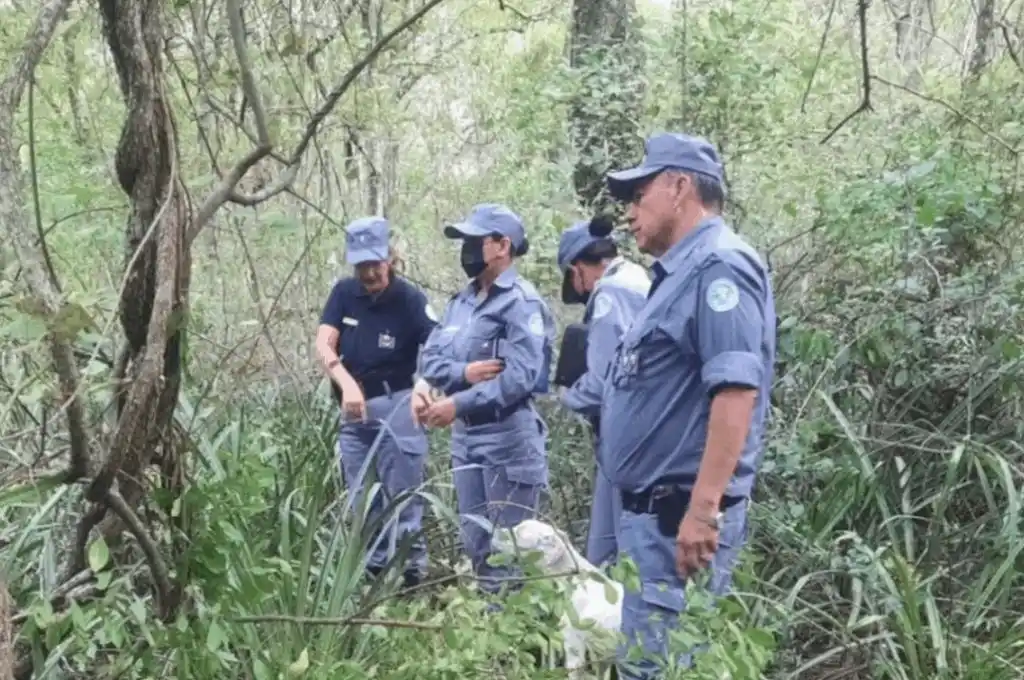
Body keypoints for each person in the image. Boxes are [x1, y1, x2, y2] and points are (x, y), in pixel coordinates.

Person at [599, 133, 777, 679]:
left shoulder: (719, 268)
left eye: (638, 194)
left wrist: (703, 510)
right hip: (651, 524)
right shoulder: (678, 275)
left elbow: (735, 390)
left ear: (679, 187)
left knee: (670, 666)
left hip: (678, 523)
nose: (630, 212)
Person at [415, 202, 556, 599]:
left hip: (509, 441)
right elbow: (432, 360)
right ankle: (490, 649)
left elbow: (520, 377)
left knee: (511, 553)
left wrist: (457, 403)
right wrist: (464, 374)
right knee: (477, 546)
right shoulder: (460, 303)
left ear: (501, 246)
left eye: (475, 241)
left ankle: (516, 653)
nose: (467, 250)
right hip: (466, 442)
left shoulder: (521, 303)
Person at [315, 216, 438, 589]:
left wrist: (426, 383)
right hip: (353, 415)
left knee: (403, 498)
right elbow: (324, 343)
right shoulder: (343, 294)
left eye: (375, 263)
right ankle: (374, 576)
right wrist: (346, 383)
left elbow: (437, 344)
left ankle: (412, 579)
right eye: (362, 265)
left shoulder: (410, 300)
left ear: (391, 258)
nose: (369, 273)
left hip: (396, 405)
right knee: (363, 502)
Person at [554, 216, 650, 568]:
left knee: (608, 555)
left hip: (626, 436)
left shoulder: (610, 293)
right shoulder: (638, 278)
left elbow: (603, 382)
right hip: (645, 433)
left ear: (578, 268)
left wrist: (565, 396)